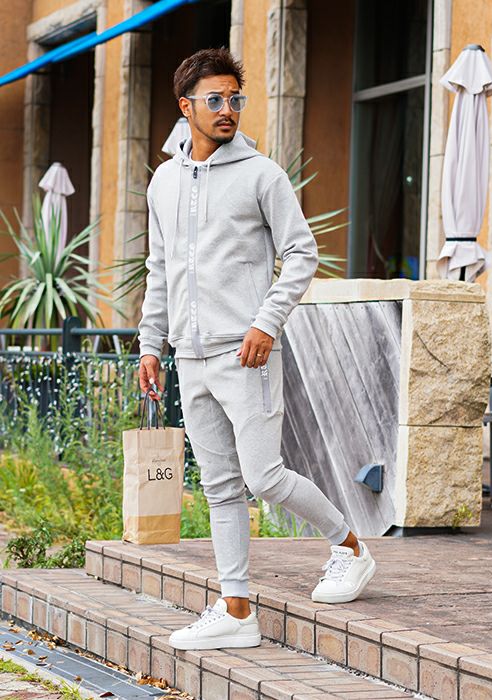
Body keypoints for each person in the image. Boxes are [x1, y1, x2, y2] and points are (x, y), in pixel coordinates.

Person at [138, 47, 376, 651]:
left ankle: (350, 547)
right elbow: (160, 269)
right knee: (219, 485)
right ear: (186, 106)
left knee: (264, 476)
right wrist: (150, 346)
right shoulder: (164, 182)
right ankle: (237, 608)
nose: (227, 109)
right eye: (214, 99)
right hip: (189, 358)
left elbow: (301, 253)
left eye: (235, 98)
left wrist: (266, 324)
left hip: (247, 355)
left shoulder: (262, 175)